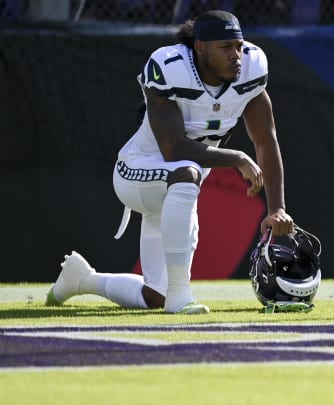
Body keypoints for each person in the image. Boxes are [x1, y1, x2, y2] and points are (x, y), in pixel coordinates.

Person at [45, 9, 294, 314]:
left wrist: (277, 208)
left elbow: (266, 140)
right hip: (137, 171)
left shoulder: (252, 70)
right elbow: (173, 149)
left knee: (153, 296)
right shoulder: (171, 66)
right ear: (199, 47)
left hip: (177, 186)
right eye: (225, 48)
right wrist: (237, 158)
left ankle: (81, 280)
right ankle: (180, 295)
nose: (236, 56)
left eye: (239, 47)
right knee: (186, 173)